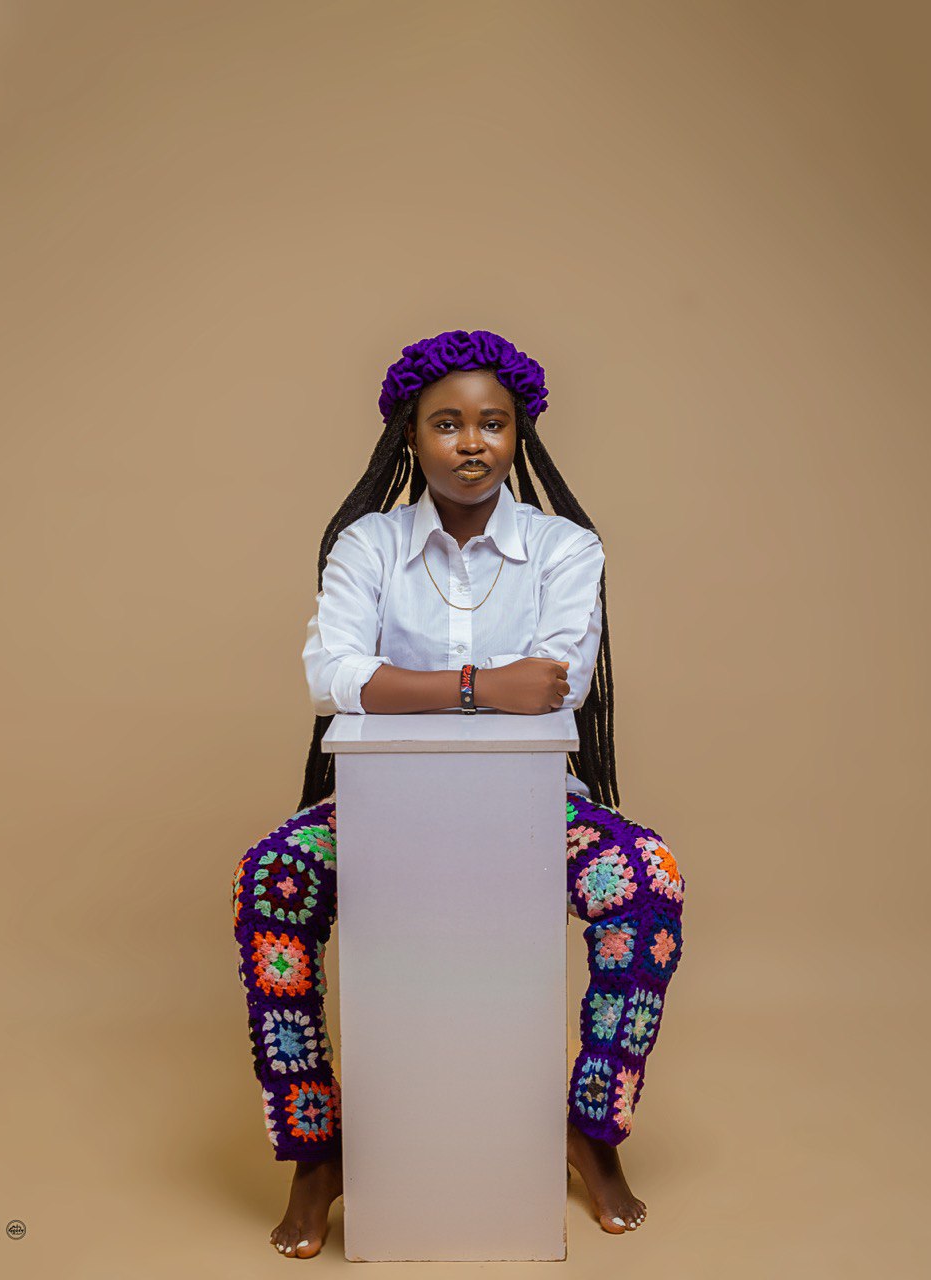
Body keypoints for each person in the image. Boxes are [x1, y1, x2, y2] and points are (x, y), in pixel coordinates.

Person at [231, 328, 686, 1259]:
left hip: (534, 805)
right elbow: (330, 678)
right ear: (410, 434)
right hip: (378, 805)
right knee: (270, 878)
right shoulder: (368, 544)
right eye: (447, 423)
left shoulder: (564, 547)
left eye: (493, 423)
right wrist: (484, 686)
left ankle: (589, 1131)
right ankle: (318, 1153)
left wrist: (408, 684)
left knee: (648, 881)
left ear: (519, 436)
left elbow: (558, 683)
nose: (471, 442)